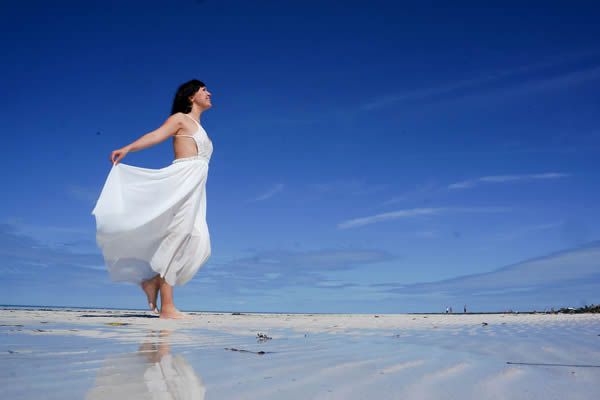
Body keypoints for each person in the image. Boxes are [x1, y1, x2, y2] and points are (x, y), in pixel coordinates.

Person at [92, 79, 213, 319]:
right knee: (178, 237)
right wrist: (128, 148)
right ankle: (167, 307)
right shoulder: (180, 118)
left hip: (196, 188)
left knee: (199, 241)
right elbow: (156, 135)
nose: (209, 93)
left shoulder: (201, 127)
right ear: (191, 97)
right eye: (203, 90)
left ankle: (152, 282)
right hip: (180, 181)